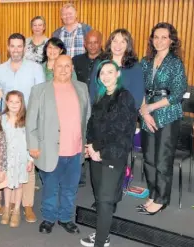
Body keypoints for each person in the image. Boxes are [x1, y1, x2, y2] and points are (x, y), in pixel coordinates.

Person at [26, 55, 90, 234]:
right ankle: (48, 218)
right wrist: (33, 145)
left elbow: (87, 118)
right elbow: (31, 121)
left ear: (72, 69)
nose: (63, 69)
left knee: (70, 189)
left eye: (67, 66)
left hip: (76, 149)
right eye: (59, 66)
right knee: (51, 189)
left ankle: (65, 218)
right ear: (52, 67)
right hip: (49, 150)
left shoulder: (82, 88)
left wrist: (86, 143)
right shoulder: (40, 90)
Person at [80, 60, 137, 247]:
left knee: (105, 199)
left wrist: (99, 150)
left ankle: (101, 241)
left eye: (109, 72)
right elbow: (92, 124)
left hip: (112, 154)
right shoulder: (101, 97)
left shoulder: (125, 97)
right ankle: (102, 233)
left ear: (117, 74)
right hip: (96, 153)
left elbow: (120, 130)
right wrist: (89, 146)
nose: (105, 76)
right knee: (100, 197)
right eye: (102, 73)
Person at [137, 22, 187, 215]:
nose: (159, 41)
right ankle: (153, 193)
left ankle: (161, 199)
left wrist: (151, 107)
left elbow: (177, 94)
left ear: (171, 40)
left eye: (163, 37)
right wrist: (144, 110)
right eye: (156, 37)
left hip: (167, 114)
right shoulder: (146, 61)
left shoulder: (175, 63)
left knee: (162, 159)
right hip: (146, 114)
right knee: (148, 158)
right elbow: (139, 86)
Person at [0, 90, 35, 228]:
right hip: (6, 158)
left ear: (22, 103)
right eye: (11, 101)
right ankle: (7, 208)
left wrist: (30, 159)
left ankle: (16, 212)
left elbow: (30, 140)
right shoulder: (1, 119)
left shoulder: (26, 120)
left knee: (19, 184)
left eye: (17, 102)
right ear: (6, 103)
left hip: (21, 158)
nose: (14, 105)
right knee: (7, 184)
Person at [72, 29, 103, 187]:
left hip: (101, 108)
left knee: (97, 141)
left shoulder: (108, 60)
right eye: (89, 42)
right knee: (80, 140)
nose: (92, 45)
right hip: (80, 108)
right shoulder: (76, 60)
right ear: (84, 43)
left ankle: (98, 178)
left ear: (101, 43)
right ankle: (80, 175)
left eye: (95, 42)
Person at [88, 29, 145, 110]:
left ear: (128, 45)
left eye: (122, 42)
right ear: (110, 43)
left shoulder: (135, 67)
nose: (118, 45)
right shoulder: (99, 63)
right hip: (101, 113)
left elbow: (137, 97)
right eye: (115, 41)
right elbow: (93, 91)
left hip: (125, 116)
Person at [0, 33, 45, 111]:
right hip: (6, 119)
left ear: (25, 48)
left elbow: (41, 98)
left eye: (19, 46)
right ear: (8, 48)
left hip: (28, 119)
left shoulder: (36, 69)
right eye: (12, 46)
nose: (16, 50)